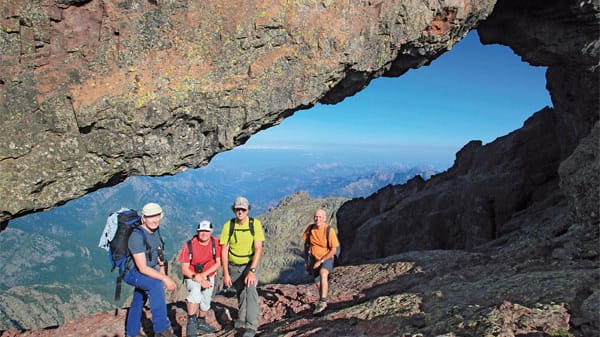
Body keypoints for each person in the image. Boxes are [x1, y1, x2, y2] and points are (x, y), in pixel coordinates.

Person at [124, 202, 177, 337]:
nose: (155, 219)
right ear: (144, 218)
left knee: (139, 298)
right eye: (150, 216)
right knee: (154, 285)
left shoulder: (155, 230)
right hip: (132, 273)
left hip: (147, 269)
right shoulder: (136, 236)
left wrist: (162, 268)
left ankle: (131, 333)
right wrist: (164, 278)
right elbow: (142, 268)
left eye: (157, 215)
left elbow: (157, 251)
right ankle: (162, 330)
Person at [220, 196, 265, 337]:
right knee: (240, 290)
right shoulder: (229, 225)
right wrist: (226, 273)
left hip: (250, 264)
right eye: (238, 209)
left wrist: (252, 270)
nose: (240, 212)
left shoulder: (254, 224)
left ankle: (251, 326)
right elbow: (224, 249)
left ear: (247, 210)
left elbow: (258, 248)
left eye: (243, 209)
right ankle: (241, 318)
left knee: (250, 290)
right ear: (234, 209)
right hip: (234, 265)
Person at [179, 220, 222, 336]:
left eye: (206, 231)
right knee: (195, 294)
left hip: (208, 275)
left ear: (211, 231)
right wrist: (197, 278)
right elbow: (184, 269)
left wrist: (203, 277)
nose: (204, 233)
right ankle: (191, 327)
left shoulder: (216, 243)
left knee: (206, 300)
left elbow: (218, 263)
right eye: (201, 231)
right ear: (197, 231)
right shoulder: (189, 245)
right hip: (192, 275)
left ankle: (201, 321)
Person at [302, 208, 340, 315]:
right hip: (314, 259)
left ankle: (322, 301)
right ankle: (322, 301)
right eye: (316, 217)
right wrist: (307, 261)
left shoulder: (329, 230)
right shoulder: (310, 229)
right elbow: (306, 245)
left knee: (323, 273)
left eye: (319, 217)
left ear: (324, 218)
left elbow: (334, 250)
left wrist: (321, 260)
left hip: (327, 257)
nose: (317, 219)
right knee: (318, 283)